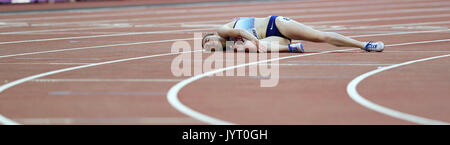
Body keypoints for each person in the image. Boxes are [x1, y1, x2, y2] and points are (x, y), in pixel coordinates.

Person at [202, 15, 384, 53]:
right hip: (272, 39)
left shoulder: (222, 30)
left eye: (208, 40)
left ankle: (364, 45)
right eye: (208, 47)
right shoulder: (229, 47)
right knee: (250, 47)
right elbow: (251, 45)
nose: (210, 44)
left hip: (276, 24)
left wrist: (256, 42)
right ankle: (291, 48)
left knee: (322, 37)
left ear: (212, 35)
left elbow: (241, 31)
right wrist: (256, 44)